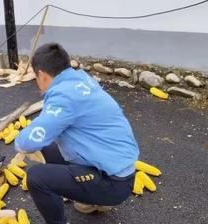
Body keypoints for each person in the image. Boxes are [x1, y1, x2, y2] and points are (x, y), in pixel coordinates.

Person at [15, 43, 139, 223]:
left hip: (113, 183)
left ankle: (81, 207)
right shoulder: (80, 79)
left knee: (36, 177)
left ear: (41, 74)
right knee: (47, 149)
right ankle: (93, 201)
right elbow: (51, 126)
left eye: (36, 77)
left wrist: (19, 143)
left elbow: (26, 143)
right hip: (120, 169)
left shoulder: (64, 97)